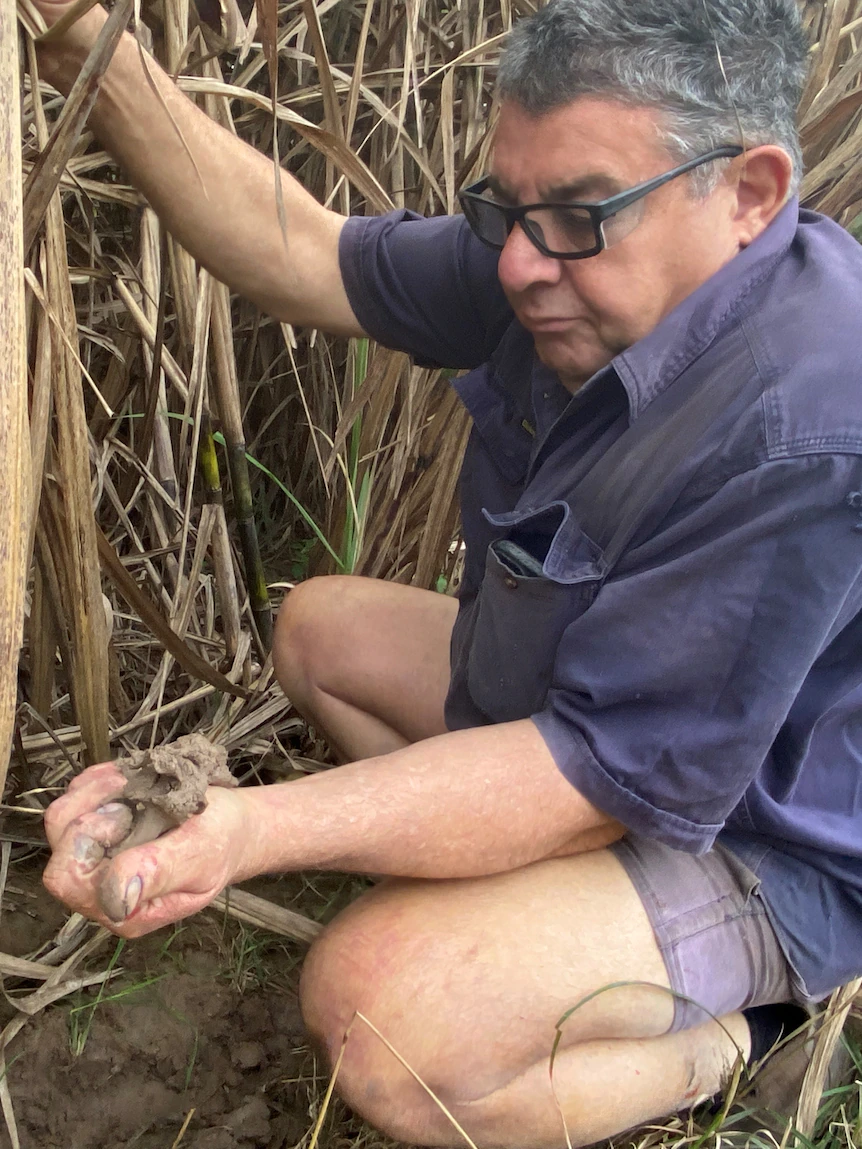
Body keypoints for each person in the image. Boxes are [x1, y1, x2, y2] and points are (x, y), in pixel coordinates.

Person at [38, 0, 862, 1144]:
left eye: (575, 215)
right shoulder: (571, 265)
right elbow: (302, 256)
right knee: (322, 630)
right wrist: (94, 45)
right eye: (506, 209)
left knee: (382, 1020)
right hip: (603, 727)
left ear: (750, 193)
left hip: (763, 840)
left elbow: (591, 783)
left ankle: (741, 1040)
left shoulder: (809, 421)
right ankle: (519, 916)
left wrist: (249, 831)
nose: (519, 262)